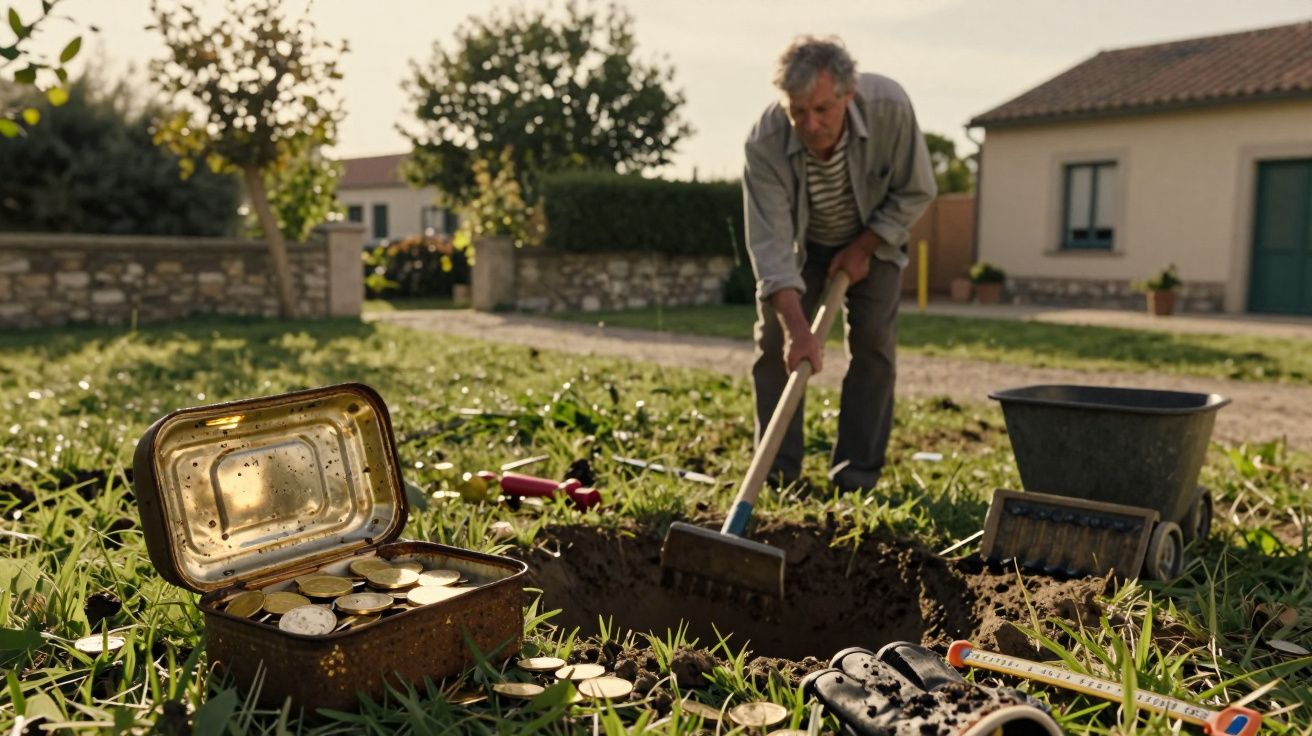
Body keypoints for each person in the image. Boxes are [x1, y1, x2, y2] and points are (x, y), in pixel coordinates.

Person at [743, 36, 936, 493]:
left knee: (873, 344)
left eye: (822, 110)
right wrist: (797, 328)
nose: (810, 124)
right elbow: (770, 247)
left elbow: (917, 190)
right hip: (803, 248)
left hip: (877, 237)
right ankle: (776, 475)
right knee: (775, 345)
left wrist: (864, 247)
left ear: (848, 95)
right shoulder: (764, 142)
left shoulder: (890, 107)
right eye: (798, 111)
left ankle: (855, 478)